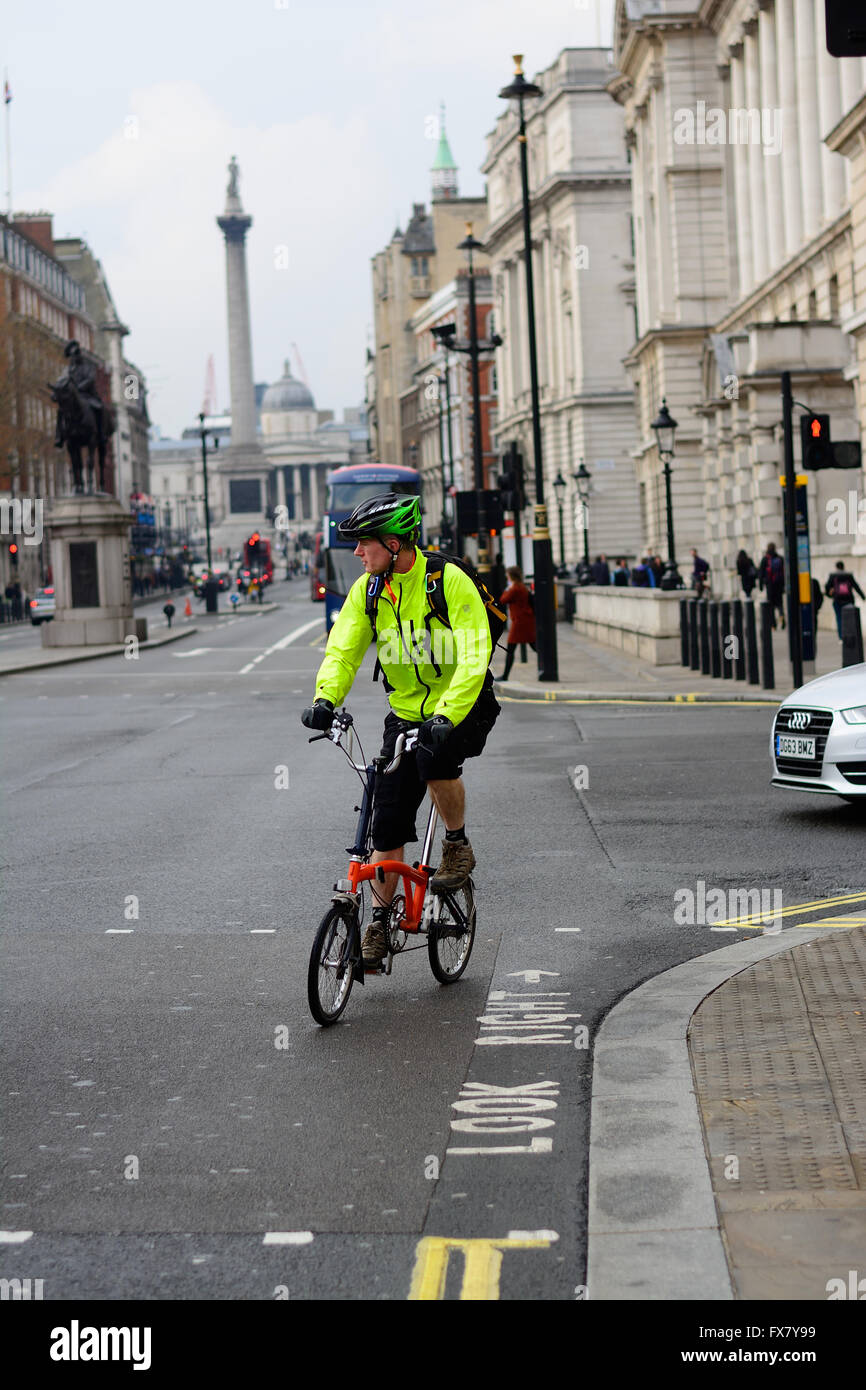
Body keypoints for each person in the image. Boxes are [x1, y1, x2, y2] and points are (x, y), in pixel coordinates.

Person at [301, 493, 498, 965]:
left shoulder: (446, 582)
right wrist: (325, 699)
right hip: (407, 711)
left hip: (464, 702)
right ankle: (379, 922)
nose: (356, 552)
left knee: (434, 760)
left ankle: (457, 845)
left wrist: (447, 715)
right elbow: (344, 649)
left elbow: (474, 654)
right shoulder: (369, 591)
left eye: (363, 543)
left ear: (393, 543)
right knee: (385, 814)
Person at [499, 565, 537, 681]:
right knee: (533, 645)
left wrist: (507, 588)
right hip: (524, 620)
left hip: (520, 622)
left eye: (507, 575)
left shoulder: (515, 588)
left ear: (511, 576)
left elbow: (503, 599)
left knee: (511, 648)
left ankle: (505, 676)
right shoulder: (521, 586)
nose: (507, 577)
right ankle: (548, 660)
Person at [825, 560, 865, 637]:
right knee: (850, 619)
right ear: (843, 567)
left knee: (839, 618)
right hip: (849, 600)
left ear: (836, 567)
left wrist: (830, 595)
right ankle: (850, 634)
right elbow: (856, 586)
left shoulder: (833, 576)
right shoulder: (848, 575)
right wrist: (862, 596)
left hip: (837, 600)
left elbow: (827, 588)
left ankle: (841, 636)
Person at [758, 542, 785, 629]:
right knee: (780, 603)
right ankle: (781, 616)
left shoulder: (765, 559)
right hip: (779, 585)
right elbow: (784, 573)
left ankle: (773, 625)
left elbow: (761, 573)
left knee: (771, 606)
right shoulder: (780, 558)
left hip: (770, 585)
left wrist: (761, 585)